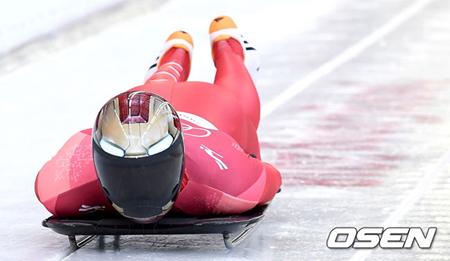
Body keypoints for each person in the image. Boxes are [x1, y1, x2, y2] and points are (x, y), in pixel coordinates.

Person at [35, 16, 282, 223]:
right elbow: (269, 177)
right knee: (165, 87)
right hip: (189, 107)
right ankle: (185, 54)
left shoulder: (61, 189)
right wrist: (252, 166)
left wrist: (246, 161)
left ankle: (225, 50)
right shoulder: (231, 185)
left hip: (213, 108)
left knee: (232, 101)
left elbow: (266, 177)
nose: (140, 191)